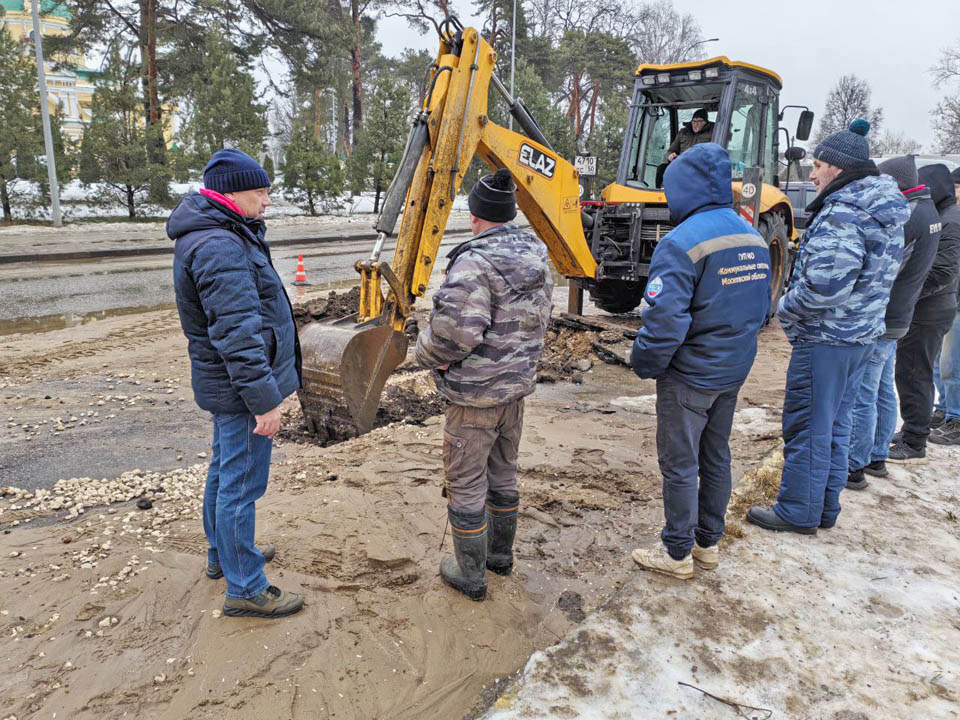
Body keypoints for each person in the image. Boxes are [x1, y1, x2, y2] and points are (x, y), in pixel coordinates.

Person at [747, 120, 908, 534]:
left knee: (808, 425)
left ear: (838, 168)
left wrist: (784, 305)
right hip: (860, 336)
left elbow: (826, 285)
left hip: (827, 338)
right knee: (837, 423)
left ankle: (798, 509)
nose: (813, 173)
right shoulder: (880, 208)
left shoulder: (845, 212)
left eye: (818, 164)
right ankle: (824, 507)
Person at [168, 149, 304, 618]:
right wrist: (265, 401)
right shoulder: (220, 245)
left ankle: (221, 556)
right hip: (241, 389)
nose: (267, 201)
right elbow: (237, 334)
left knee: (225, 471)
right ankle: (245, 586)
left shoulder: (220, 232)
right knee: (241, 485)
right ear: (231, 193)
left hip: (228, 386)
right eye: (260, 192)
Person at [630, 143, 770, 579]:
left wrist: (644, 362)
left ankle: (676, 554)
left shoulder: (680, 243)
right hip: (732, 370)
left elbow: (665, 323)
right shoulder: (753, 236)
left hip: (689, 376)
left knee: (680, 463)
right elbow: (763, 309)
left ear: (684, 189)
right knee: (716, 456)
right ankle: (708, 544)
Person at [415, 168, 553, 601]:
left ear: (475, 216)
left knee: (467, 481)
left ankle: (471, 574)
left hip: (474, 397)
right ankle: (499, 556)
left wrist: (423, 355)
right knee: (503, 471)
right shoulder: (536, 254)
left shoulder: (475, 262)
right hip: (515, 393)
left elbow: (454, 335)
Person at [845, 155, 940, 488]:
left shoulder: (909, 216)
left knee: (864, 392)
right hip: (902, 313)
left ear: (896, 184)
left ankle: (854, 466)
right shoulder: (929, 212)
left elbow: (886, 267)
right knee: (883, 388)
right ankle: (875, 455)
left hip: (886, 315)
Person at [890, 163, 960, 459]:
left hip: (931, 308)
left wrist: (908, 291)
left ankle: (914, 440)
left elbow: (943, 272)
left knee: (915, 372)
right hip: (931, 307)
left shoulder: (950, 222)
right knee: (918, 371)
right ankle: (915, 427)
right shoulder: (943, 217)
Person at [930, 166, 960, 445]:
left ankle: (957, 418)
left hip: (955, 300)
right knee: (941, 362)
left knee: (952, 363)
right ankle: (943, 410)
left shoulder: (954, 222)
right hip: (950, 300)